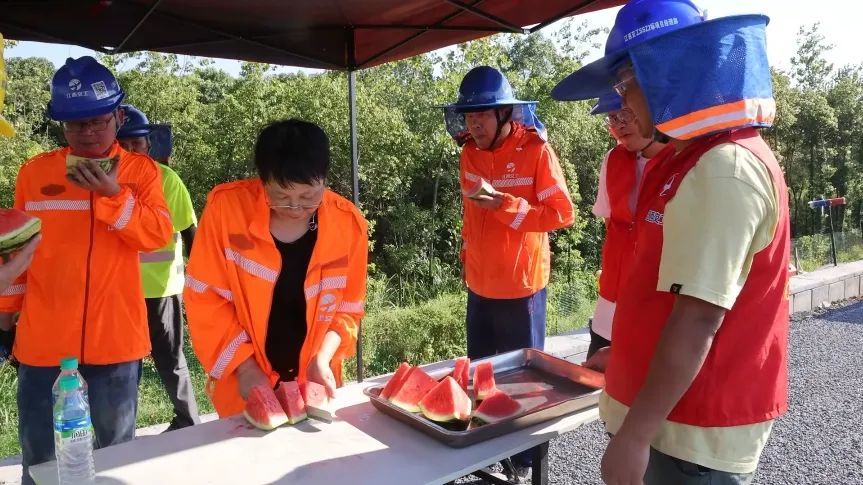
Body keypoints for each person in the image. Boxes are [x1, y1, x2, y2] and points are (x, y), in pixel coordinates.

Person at [553, 1, 788, 484]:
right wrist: (626, 354)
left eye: (624, 84)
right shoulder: (686, 159)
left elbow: (699, 317)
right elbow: (667, 293)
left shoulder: (724, 169)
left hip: (692, 434)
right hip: (673, 420)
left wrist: (634, 437)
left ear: (662, 72)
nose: (622, 103)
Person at [0, 56, 172, 483]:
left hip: (115, 342)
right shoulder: (35, 173)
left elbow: (157, 237)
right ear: (62, 125)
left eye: (98, 121)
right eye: (76, 125)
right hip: (43, 345)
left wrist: (113, 194)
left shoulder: (141, 173)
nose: (89, 133)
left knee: (115, 462)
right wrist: (5, 316)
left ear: (117, 116)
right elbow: (16, 254)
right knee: (40, 464)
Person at [442, 65, 575, 482]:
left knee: (524, 383)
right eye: (468, 115)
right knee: (483, 376)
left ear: (504, 115)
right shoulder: (469, 153)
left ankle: (527, 462)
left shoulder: (536, 151)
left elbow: (562, 214)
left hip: (522, 289)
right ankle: (487, 452)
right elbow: (469, 216)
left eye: (482, 115)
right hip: (479, 287)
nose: (473, 124)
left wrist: (505, 204)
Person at [185, 119, 368, 418]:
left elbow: (348, 309)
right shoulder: (225, 210)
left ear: (324, 179)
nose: (295, 207)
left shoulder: (349, 224)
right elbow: (205, 299)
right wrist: (245, 368)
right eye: (281, 196)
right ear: (262, 180)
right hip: (244, 384)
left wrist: (322, 359)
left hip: (315, 383)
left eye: (308, 196)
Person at [117, 104, 201, 431]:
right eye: (122, 145)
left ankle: (188, 421)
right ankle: (121, 433)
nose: (129, 151)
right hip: (118, 293)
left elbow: (191, 234)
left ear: (148, 145)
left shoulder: (167, 180)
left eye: (135, 144)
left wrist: (202, 286)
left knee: (170, 361)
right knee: (122, 365)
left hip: (160, 290)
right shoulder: (101, 183)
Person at [587, 91, 669, 358]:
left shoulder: (683, 163)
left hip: (656, 311)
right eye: (613, 117)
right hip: (608, 311)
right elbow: (611, 225)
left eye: (626, 114)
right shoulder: (612, 160)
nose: (619, 124)